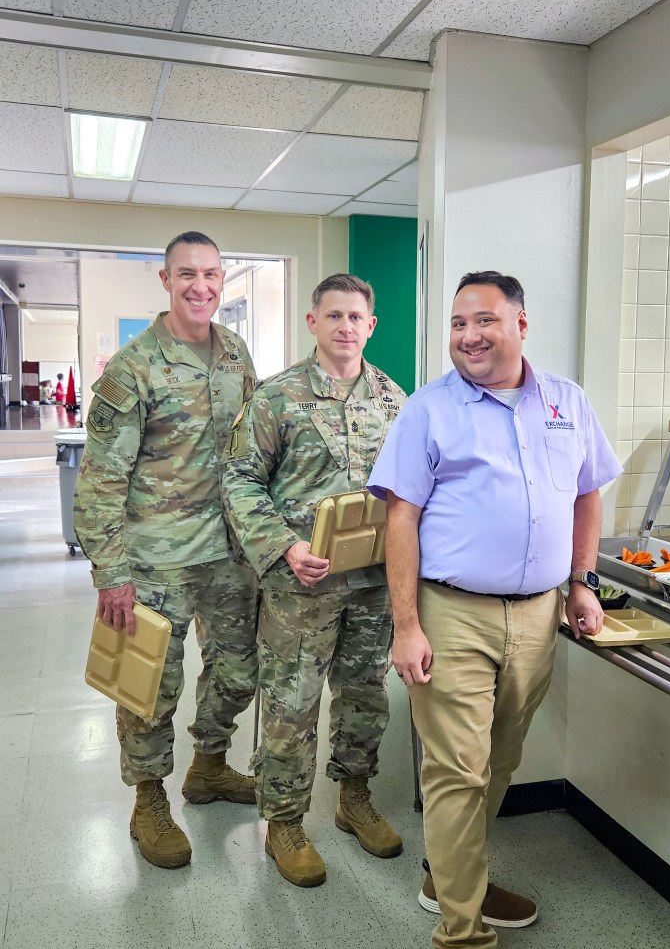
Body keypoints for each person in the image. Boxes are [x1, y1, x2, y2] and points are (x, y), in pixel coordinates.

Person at [367, 271, 622, 949]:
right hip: (452, 612)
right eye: (458, 323)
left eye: (484, 320)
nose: (469, 335)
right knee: (456, 770)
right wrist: (407, 623)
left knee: (500, 761)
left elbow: (586, 494)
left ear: (520, 324)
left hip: (539, 617)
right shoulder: (428, 409)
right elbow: (402, 517)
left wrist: (583, 582)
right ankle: (462, 930)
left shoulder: (566, 402)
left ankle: (452, 880)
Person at [73, 231, 259, 870]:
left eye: (211, 273)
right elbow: (101, 477)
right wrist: (111, 572)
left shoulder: (235, 353)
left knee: (238, 668)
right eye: (187, 274)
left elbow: (253, 450)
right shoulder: (134, 366)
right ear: (165, 279)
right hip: (155, 558)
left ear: (223, 278)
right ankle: (148, 798)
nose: (201, 286)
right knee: (149, 681)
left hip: (231, 553)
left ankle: (208, 767)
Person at [222, 273, 406, 889]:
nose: (345, 327)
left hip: (374, 584)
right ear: (313, 323)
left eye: (356, 317)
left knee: (365, 697)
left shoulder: (393, 400)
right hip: (302, 583)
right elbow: (240, 480)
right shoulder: (278, 398)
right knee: (290, 705)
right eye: (333, 316)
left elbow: (410, 490)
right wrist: (284, 546)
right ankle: (285, 822)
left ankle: (354, 796)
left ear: (370, 325)